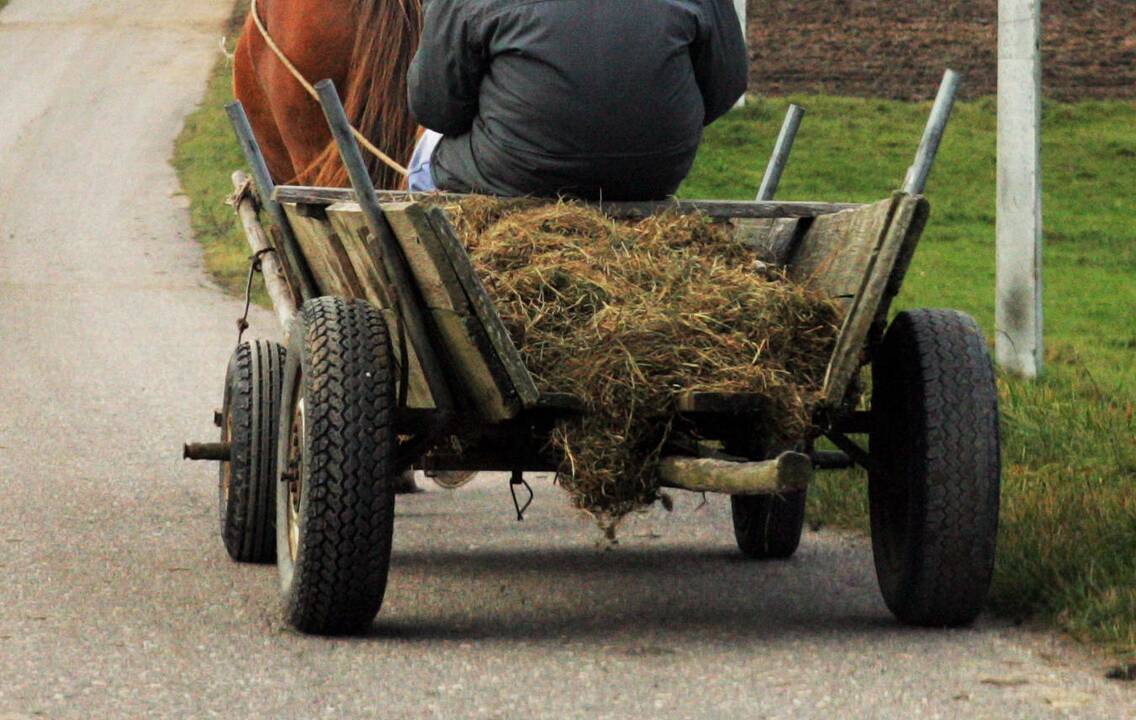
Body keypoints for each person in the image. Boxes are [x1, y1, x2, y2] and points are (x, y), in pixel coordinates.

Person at [405, 0, 748, 201]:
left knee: (422, 161)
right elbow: (725, 87)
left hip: (516, 173)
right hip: (652, 173)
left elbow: (435, 108)